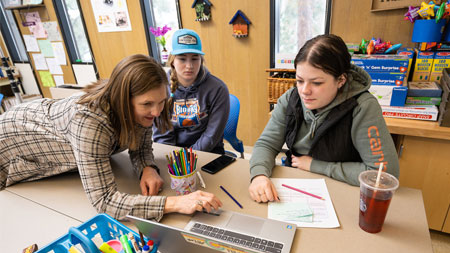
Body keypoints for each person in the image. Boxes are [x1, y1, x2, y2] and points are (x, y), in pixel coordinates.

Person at [0, 54, 221, 220]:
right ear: (124, 100)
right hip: (11, 143)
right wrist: (176, 203)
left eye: (162, 101)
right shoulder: (89, 122)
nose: (156, 112)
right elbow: (104, 201)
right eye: (147, 104)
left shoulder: (135, 100)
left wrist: (147, 167)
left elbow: (142, 143)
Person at [249, 34, 399, 203]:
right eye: (299, 81)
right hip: (298, 182)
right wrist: (259, 175)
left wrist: (316, 166)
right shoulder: (290, 98)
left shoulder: (363, 107)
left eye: (317, 83)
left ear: (341, 80)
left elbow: (383, 175)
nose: (305, 90)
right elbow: (267, 144)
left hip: (344, 190)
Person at [153, 29, 230, 154]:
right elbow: (162, 136)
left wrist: (188, 158)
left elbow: (211, 137)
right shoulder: (160, 87)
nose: (189, 66)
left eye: (195, 59)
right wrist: (174, 159)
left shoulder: (218, 89)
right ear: (173, 61)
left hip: (207, 153)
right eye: (182, 59)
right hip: (172, 154)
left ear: (201, 60)